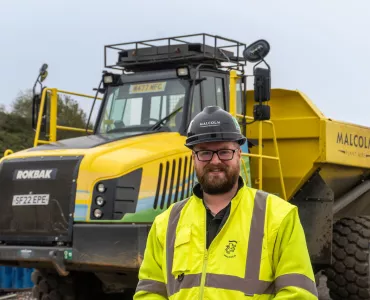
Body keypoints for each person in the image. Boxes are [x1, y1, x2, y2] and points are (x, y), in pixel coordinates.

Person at [134, 106, 318, 299]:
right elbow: (149, 293)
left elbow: (299, 294)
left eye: (224, 152)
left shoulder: (279, 216)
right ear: (193, 158)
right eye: (204, 153)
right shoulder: (166, 223)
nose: (214, 161)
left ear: (239, 153)